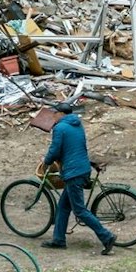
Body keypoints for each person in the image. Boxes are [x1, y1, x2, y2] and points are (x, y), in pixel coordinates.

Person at [39, 102, 116, 255]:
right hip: (83, 168)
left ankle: (107, 236)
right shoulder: (77, 125)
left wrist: (46, 162)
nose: (53, 115)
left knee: (79, 210)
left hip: (73, 172)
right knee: (63, 206)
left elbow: (55, 149)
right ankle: (58, 240)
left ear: (61, 114)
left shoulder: (60, 128)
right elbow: (75, 147)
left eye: (55, 113)